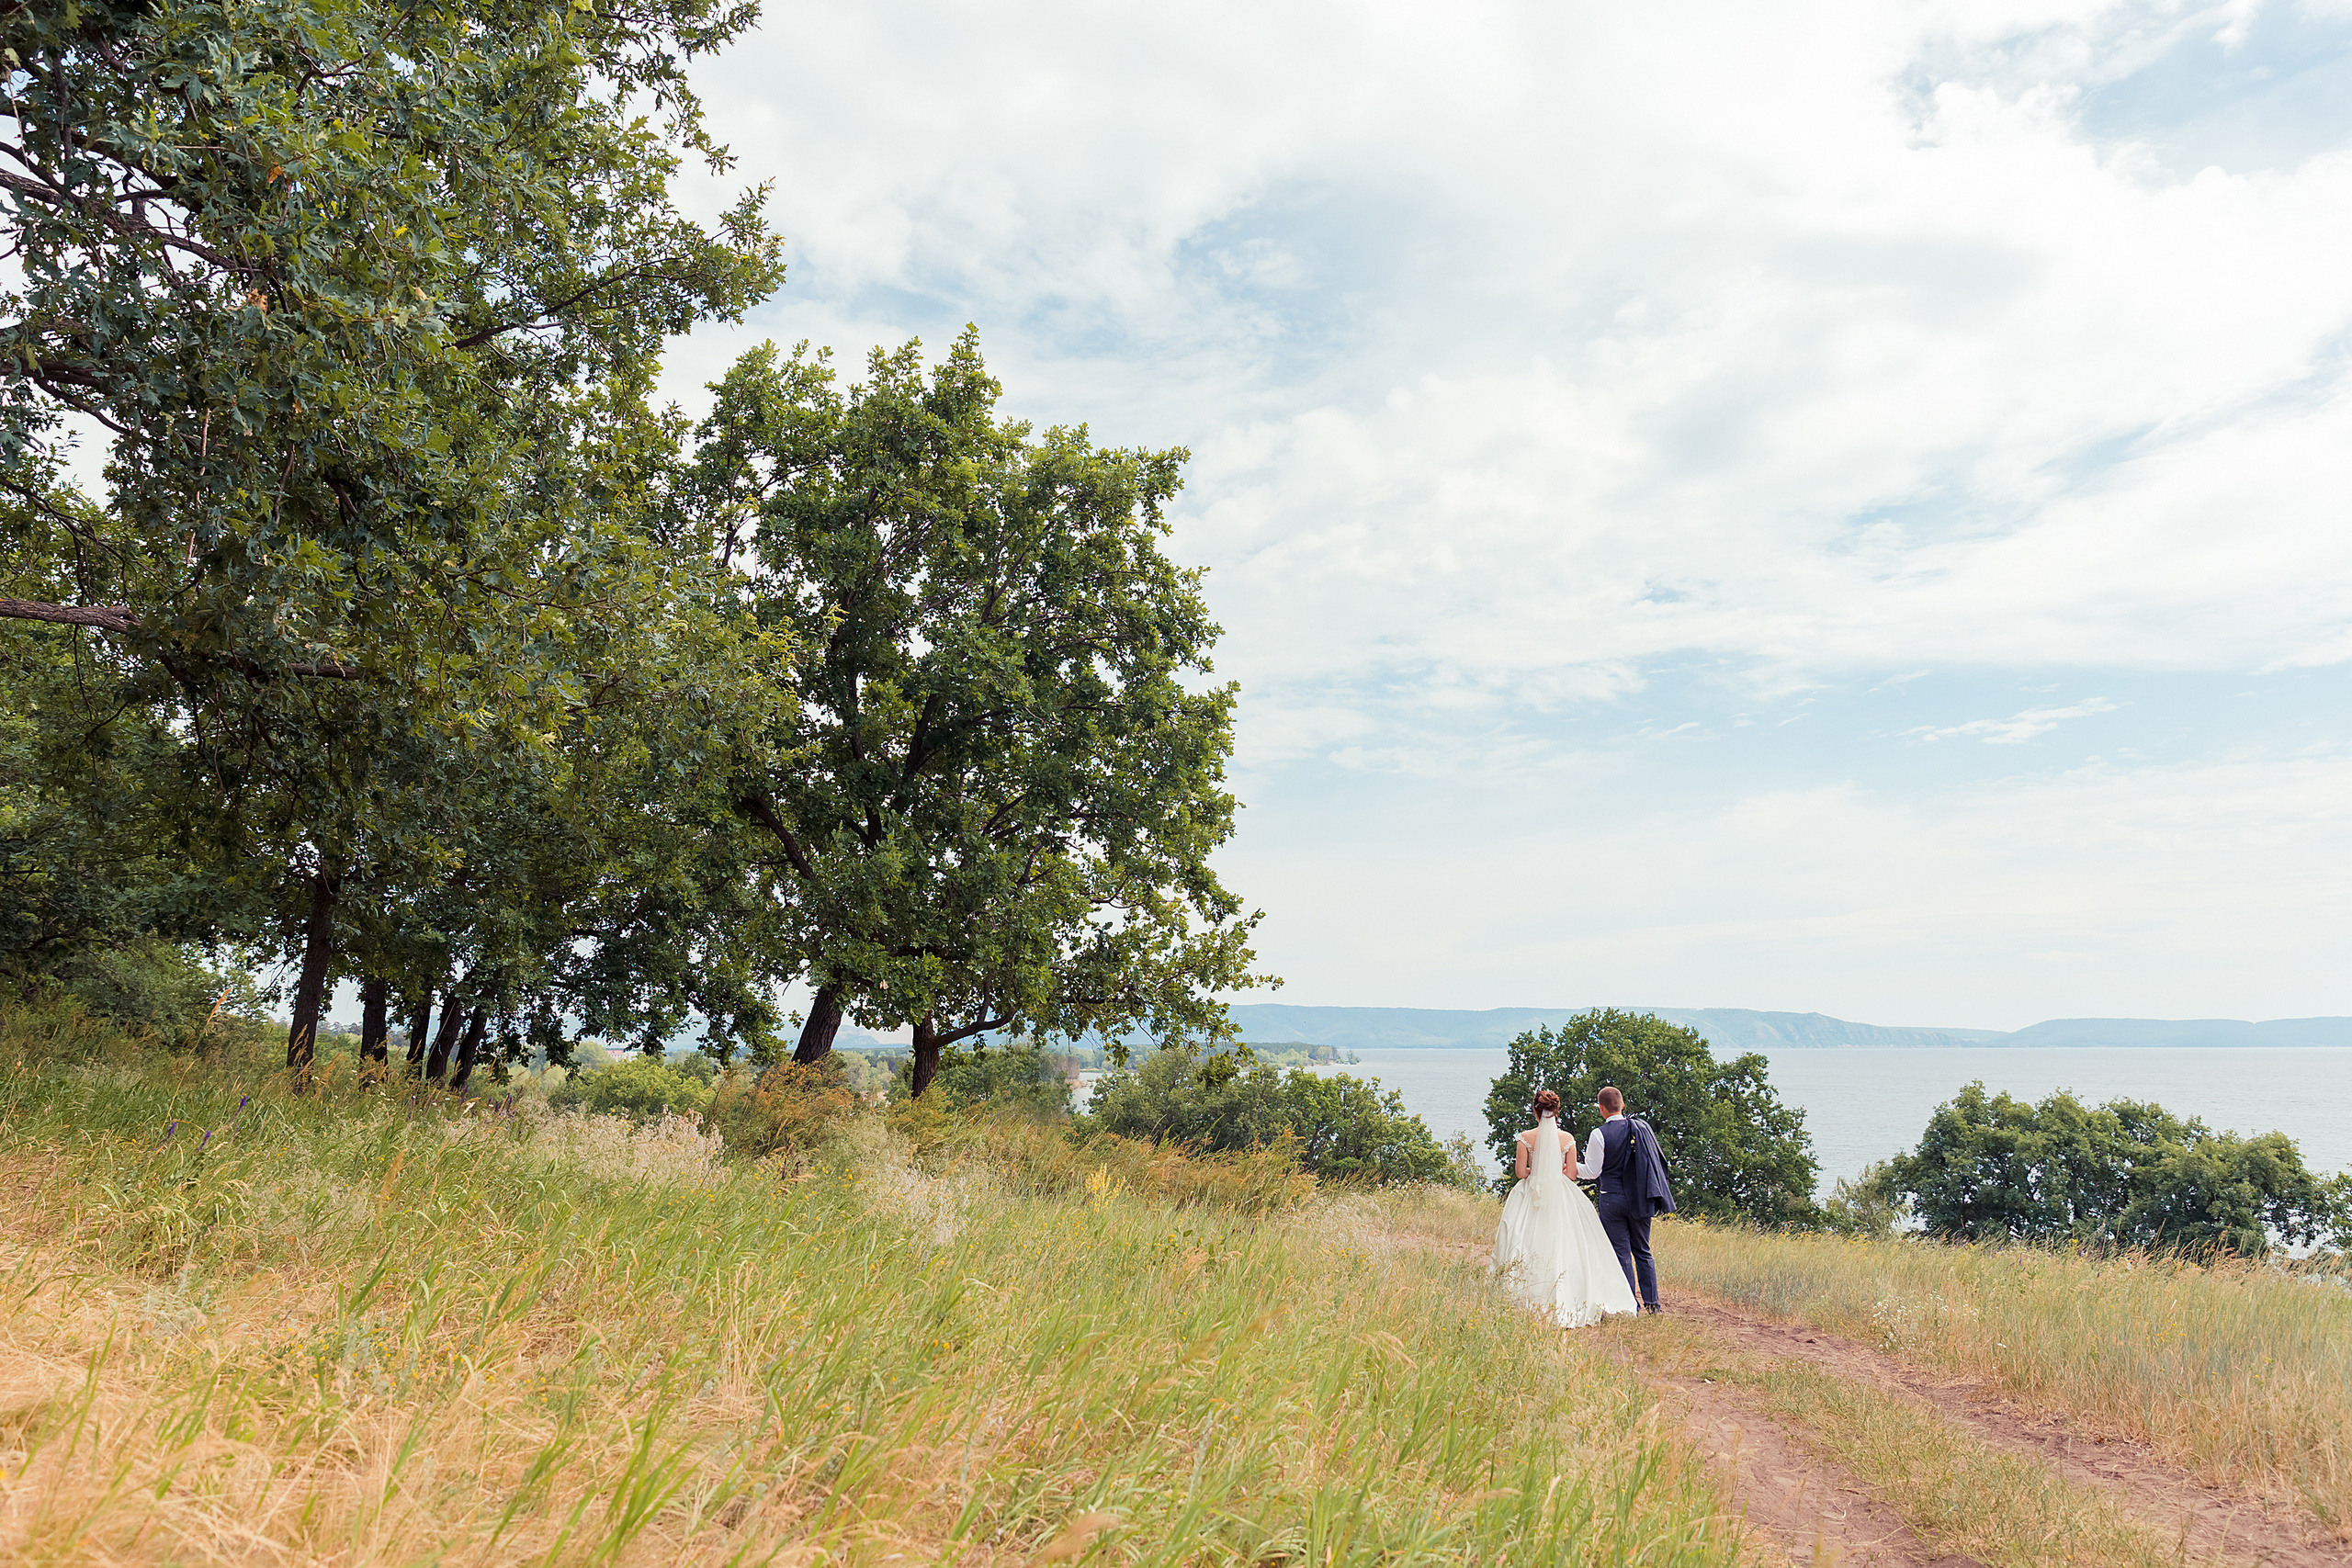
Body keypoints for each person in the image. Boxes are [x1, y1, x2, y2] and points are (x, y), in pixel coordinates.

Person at [1489, 1089, 1637, 1326]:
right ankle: (1572, 1292)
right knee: (1569, 1241)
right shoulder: (1567, 1139)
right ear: (1556, 1112)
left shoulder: (1525, 1138)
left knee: (1523, 1238)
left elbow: (1520, 1173)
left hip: (1531, 1192)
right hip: (1560, 1193)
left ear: (1535, 1111)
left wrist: (1535, 1172)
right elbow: (1570, 1174)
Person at [1583, 1085, 1663, 1313]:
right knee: (1643, 1251)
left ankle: (1629, 1304)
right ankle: (1653, 1303)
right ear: (1623, 1105)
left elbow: (1592, 1171)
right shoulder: (1640, 1129)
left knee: (1621, 1252)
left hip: (1612, 1199)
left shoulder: (1598, 1134)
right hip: (1640, 1198)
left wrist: (1568, 1167)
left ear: (1601, 1108)